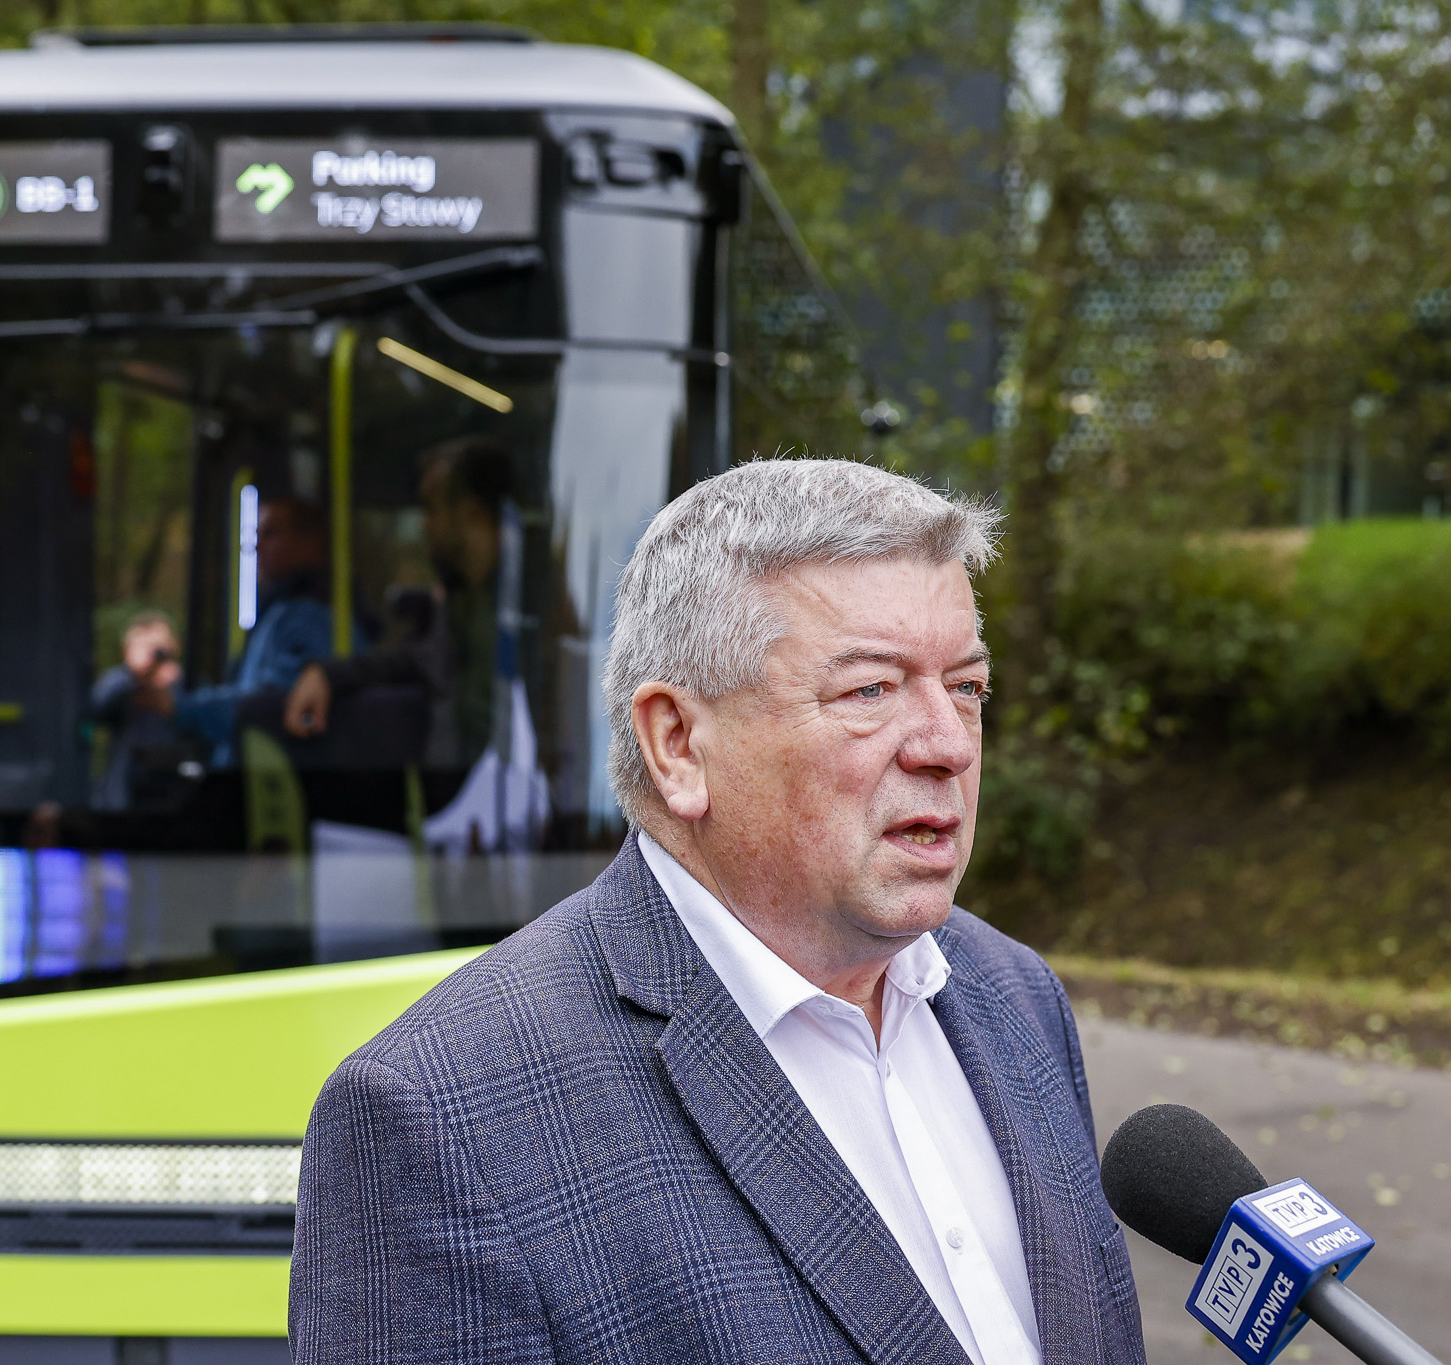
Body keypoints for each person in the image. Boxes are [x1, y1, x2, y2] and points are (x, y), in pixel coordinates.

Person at [291, 459, 1143, 1364]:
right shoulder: (439, 1117)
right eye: (872, 690)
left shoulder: (1016, 995)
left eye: (966, 687)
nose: (944, 744)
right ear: (678, 743)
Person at [283, 436, 509, 770]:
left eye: (432, 509)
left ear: (475, 515)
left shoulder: (531, 605)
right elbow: (413, 662)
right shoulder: (460, 601)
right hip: (456, 807)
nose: (423, 525)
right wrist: (325, 675)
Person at [178, 496, 354, 765]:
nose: (257, 546)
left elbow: (268, 709)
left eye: (271, 534)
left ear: (310, 542)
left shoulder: (313, 620)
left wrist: (180, 707)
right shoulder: (278, 611)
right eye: (256, 535)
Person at [88, 610, 185, 809]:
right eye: (141, 646)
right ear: (126, 651)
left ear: (173, 647)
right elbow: (97, 709)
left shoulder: (187, 685)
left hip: (173, 790)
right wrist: (138, 678)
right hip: (121, 791)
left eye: (156, 647)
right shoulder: (117, 682)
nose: (150, 654)